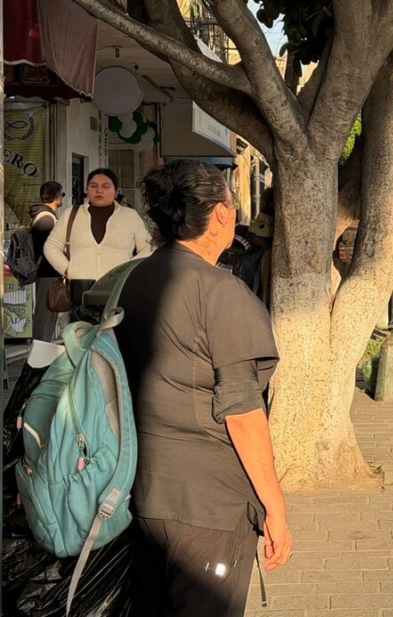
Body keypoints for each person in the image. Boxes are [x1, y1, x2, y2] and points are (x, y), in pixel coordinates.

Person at [114, 160, 292, 615]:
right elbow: (243, 412)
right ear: (220, 214)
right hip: (208, 505)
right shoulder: (220, 293)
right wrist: (276, 509)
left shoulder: (132, 280)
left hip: (145, 491)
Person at [43, 168, 153, 320]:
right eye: (93, 186)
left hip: (118, 289)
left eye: (105, 186)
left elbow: (148, 248)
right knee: (81, 339)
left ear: (116, 191)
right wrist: (69, 269)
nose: (99, 190)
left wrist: (126, 271)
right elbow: (51, 246)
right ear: (87, 189)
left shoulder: (130, 216)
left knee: (115, 340)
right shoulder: (72, 214)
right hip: (81, 291)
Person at [29, 181, 63, 340]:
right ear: (57, 197)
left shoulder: (44, 216)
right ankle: (38, 356)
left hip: (47, 272)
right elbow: (49, 248)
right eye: (61, 195)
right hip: (47, 272)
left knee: (49, 314)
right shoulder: (47, 220)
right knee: (45, 316)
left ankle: (42, 353)